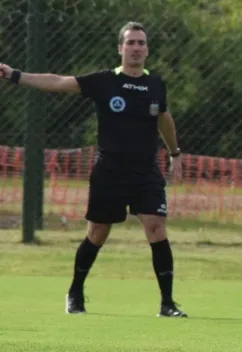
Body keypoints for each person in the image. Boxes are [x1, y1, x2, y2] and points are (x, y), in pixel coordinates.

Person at [0, 21, 189, 318]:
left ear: (147, 49)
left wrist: (175, 152)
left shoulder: (156, 85)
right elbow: (59, 82)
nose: (136, 48)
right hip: (109, 171)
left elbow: (164, 118)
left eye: (141, 43)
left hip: (145, 173)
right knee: (98, 232)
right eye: (131, 43)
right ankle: (75, 292)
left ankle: (167, 304)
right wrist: (15, 75)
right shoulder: (104, 81)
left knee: (156, 228)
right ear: (120, 48)